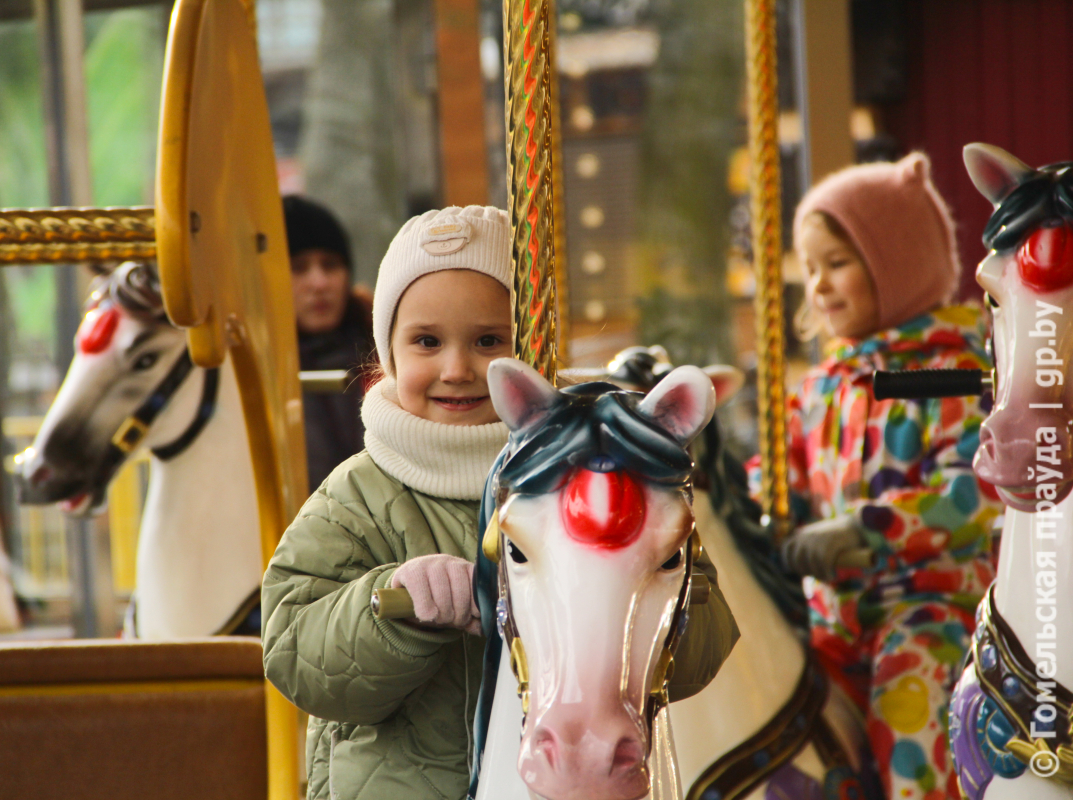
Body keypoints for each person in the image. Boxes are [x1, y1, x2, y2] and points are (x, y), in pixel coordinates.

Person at [262, 205, 739, 800]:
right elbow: (293, 651)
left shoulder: (598, 478)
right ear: (388, 352)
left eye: (489, 341)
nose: (458, 368)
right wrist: (393, 606)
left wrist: (635, 600)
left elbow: (706, 638)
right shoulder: (357, 495)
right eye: (427, 342)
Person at [767, 154, 1002, 800]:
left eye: (836, 264)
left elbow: (974, 488)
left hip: (930, 602)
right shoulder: (818, 386)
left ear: (895, 266)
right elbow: (778, 469)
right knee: (775, 713)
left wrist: (871, 526)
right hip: (834, 615)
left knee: (909, 701)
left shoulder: (953, 373)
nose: (817, 286)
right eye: (808, 269)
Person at [284, 195, 374, 491]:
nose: (319, 283)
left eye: (331, 265)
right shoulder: (251, 380)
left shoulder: (388, 354)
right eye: (299, 267)